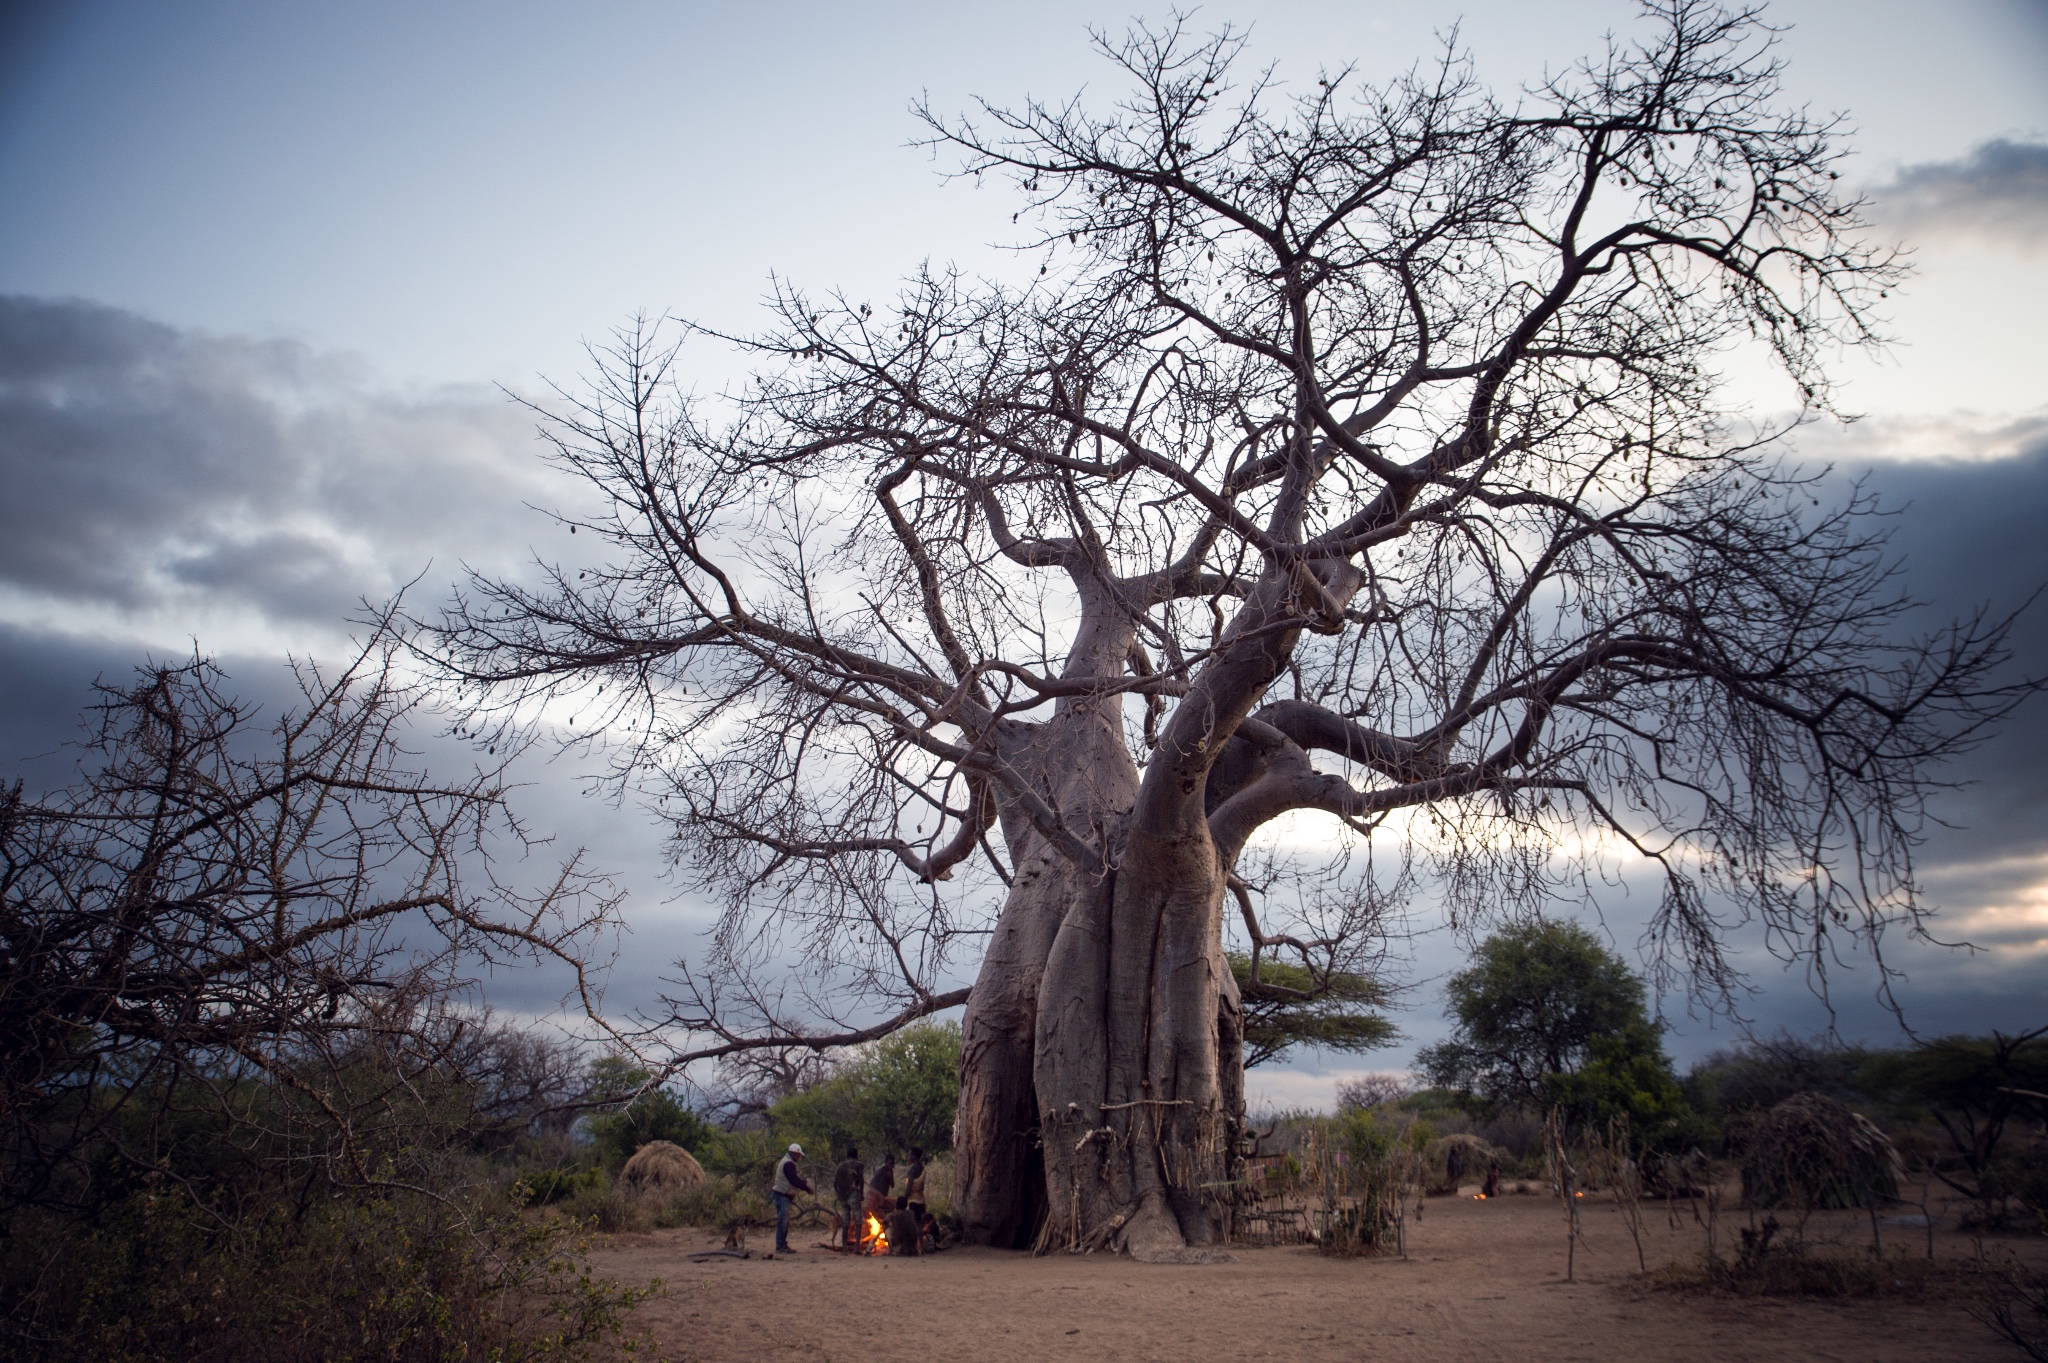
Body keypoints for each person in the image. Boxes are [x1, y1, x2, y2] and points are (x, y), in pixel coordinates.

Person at [769, 1142, 812, 1254]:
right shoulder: (788, 1164)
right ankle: (780, 1246)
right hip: (782, 1195)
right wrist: (806, 1188)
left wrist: (802, 1183)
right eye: (798, 1155)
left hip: (782, 1195)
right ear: (793, 1153)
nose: (799, 1157)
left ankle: (782, 1244)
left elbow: (793, 1179)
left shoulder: (787, 1162)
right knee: (782, 1222)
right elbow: (794, 1180)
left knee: (784, 1221)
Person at [832, 1145, 866, 1252]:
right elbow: (861, 1180)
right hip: (853, 1195)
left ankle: (844, 1249)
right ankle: (856, 1247)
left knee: (845, 1223)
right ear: (856, 1155)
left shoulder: (840, 1166)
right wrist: (861, 1193)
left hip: (842, 1197)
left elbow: (834, 1183)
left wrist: (839, 1194)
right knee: (858, 1221)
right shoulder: (858, 1164)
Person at [864, 1150, 896, 1223]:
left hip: (884, 1197)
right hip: (877, 1197)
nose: (890, 1165)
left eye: (892, 1164)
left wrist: (890, 1178)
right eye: (889, 1163)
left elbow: (892, 1185)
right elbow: (872, 1184)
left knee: (893, 1206)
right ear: (886, 1162)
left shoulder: (890, 1172)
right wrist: (877, 1195)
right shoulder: (881, 1171)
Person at [903, 1146, 928, 1222]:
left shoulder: (913, 1170)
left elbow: (909, 1189)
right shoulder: (922, 1168)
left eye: (910, 1155)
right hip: (921, 1200)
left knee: (914, 1224)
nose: (908, 1157)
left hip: (913, 1202)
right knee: (920, 1223)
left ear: (914, 1156)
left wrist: (904, 1200)